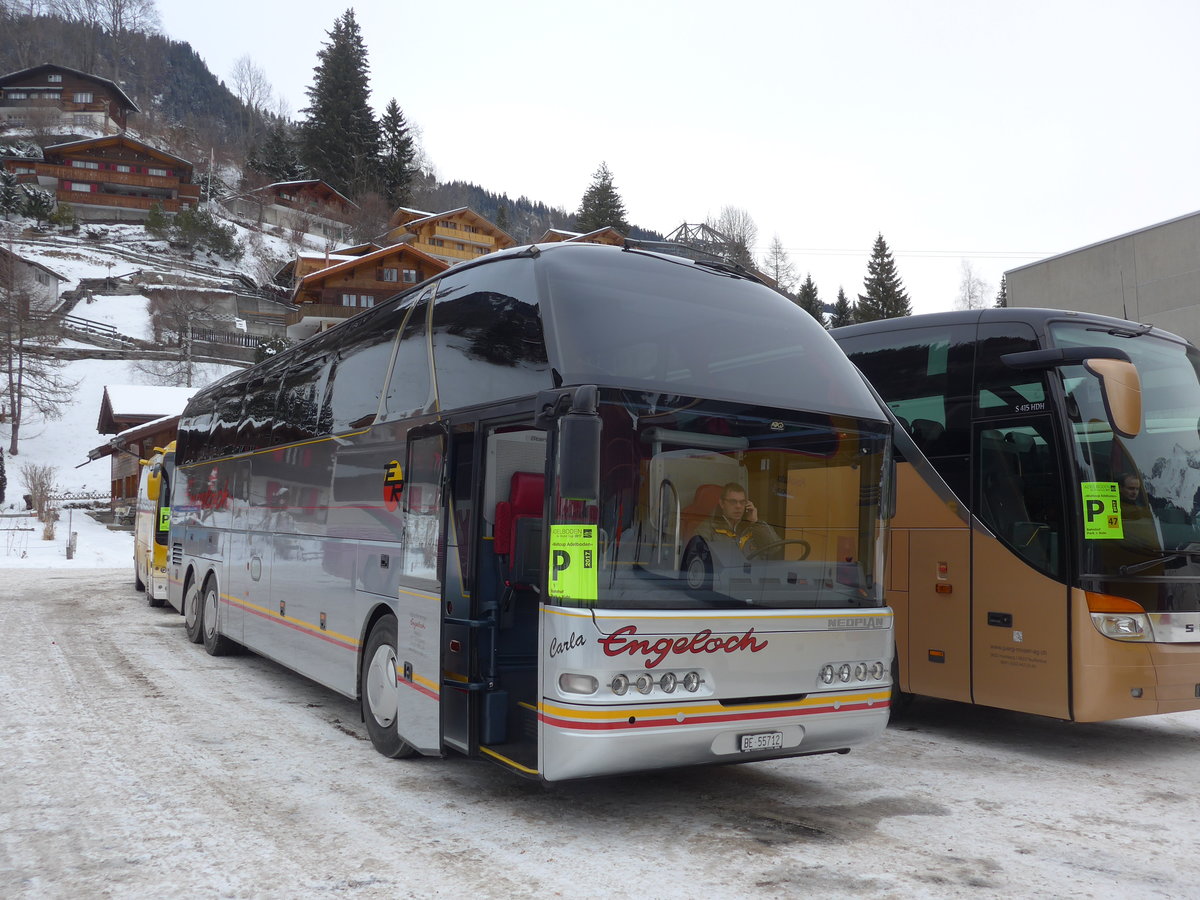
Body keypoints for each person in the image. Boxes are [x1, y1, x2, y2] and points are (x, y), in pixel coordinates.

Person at [694, 482, 779, 558]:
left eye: (742, 502)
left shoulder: (753, 527)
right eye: (733, 502)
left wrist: (755, 522)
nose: (738, 506)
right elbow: (699, 557)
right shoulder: (708, 527)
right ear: (722, 503)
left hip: (753, 573)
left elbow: (775, 549)